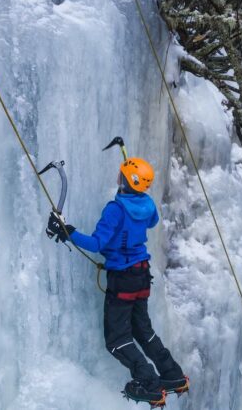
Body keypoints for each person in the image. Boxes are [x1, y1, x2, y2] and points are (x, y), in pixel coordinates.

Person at [47, 157, 189, 407]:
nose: (117, 175)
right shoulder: (147, 204)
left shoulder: (115, 209)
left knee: (117, 340)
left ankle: (150, 384)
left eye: (121, 173)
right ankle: (173, 376)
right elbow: (153, 221)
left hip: (123, 280)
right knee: (143, 331)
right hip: (142, 276)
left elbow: (96, 244)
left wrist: (67, 232)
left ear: (125, 180)